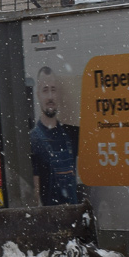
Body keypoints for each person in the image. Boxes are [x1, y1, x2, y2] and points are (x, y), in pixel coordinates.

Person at [29, 66, 79, 206]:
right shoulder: (33, 140)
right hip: (51, 217)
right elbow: (35, 192)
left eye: (53, 89)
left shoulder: (71, 136)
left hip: (72, 215)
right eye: (45, 90)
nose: (50, 96)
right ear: (38, 94)